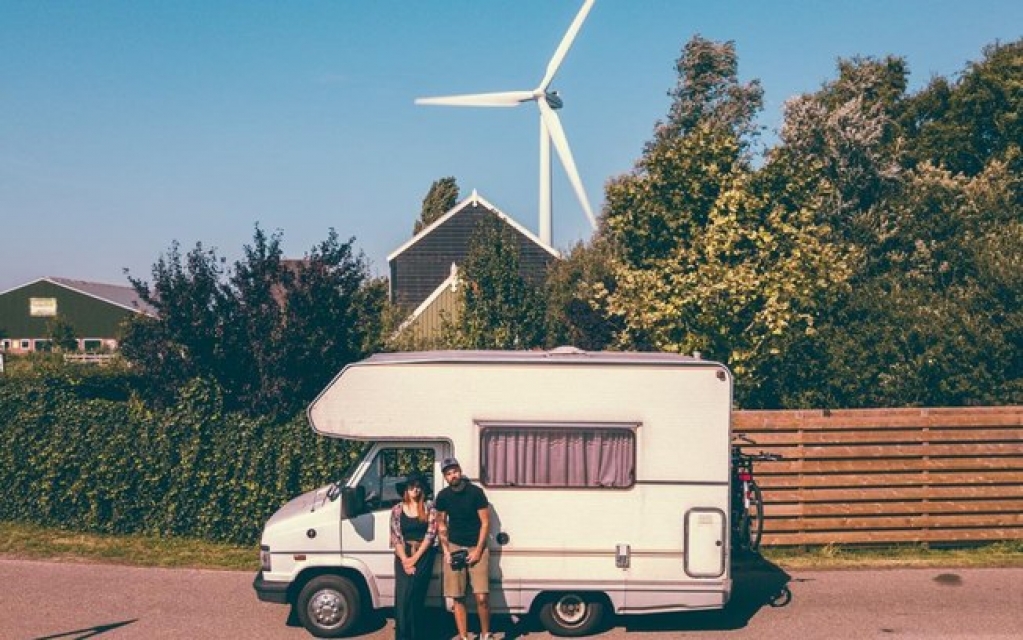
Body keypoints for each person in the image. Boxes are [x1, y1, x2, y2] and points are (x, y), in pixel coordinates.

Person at [434, 457, 491, 640]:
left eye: (455, 471)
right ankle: (464, 636)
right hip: (455, 546)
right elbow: (441, 525)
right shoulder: (443, 497)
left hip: (477, 546)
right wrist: (446, 552)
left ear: (460, 470)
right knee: (457, 597)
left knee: (481, 597)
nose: (453, 475)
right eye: (448, 473)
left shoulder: (476, 493)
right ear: (445, 477)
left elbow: (485, 523)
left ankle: (485, 634)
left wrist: (478, 551)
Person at [389, 471, 437, 640]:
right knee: (402, 598)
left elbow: (430, 535)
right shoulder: (397, 509)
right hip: (402, 556)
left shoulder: (429, 508)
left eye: (418, 487)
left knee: (415, 597)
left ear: (422, 490)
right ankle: (402, 636)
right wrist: (405, 560)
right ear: (406, 490)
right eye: (411, 487)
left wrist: (414, 559)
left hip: (423, 556)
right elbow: (396, 536)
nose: (415, 490)